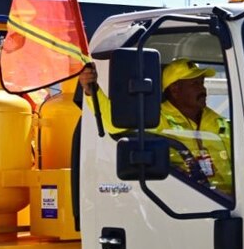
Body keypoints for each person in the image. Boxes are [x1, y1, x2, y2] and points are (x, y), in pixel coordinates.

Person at [80, 58, 233, 197]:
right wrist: (91, 90)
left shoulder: (218, 121)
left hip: (236, 199)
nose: (203, 89)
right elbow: (115, 123)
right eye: (195, 84)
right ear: (175, 89)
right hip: (194, 200)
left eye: (202, 82)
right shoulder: (156, 118)